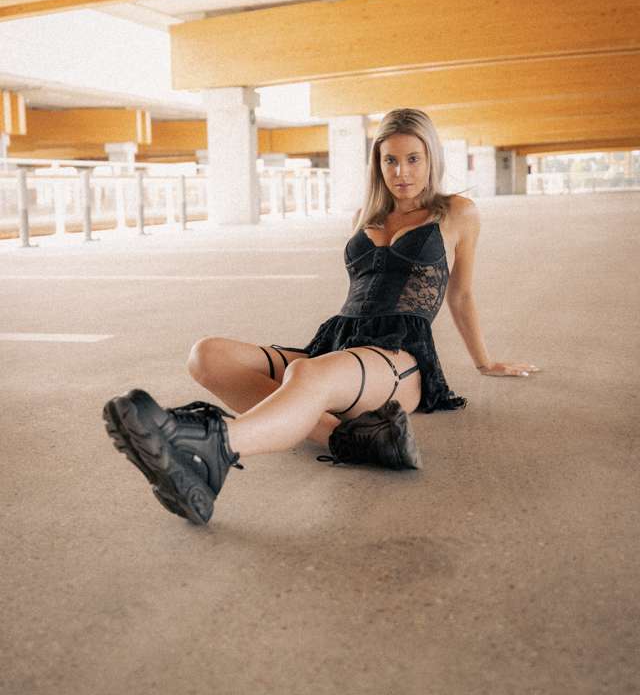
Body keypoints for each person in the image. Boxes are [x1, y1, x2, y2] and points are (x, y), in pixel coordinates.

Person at [103, 108, 540, 526]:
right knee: (207, 355)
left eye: (413, 159)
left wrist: (485, 362)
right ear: (377, 164)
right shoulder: (364, 216)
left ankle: (210, 447)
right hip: (339, 344)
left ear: (431, 159)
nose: (401, 172)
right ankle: (348, 439)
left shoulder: (457, 212)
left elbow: (461, 295)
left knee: (305, 375)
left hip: (398, 359)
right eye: (390, 160)